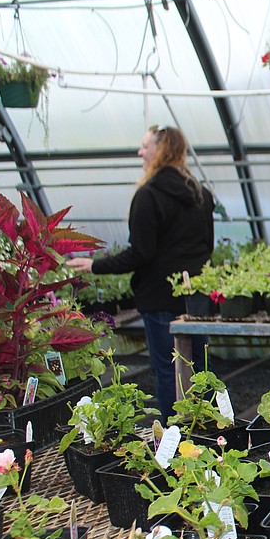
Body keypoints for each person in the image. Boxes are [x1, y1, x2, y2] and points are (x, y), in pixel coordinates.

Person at [69, 125, 215, 424]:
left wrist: (95, 265)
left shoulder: (149, 196)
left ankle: (175, 439)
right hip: (196, 298)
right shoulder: (201, 195)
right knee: (200, 370)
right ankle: (208, 434)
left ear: (160, 150)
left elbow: (141, 253)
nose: (140, 152)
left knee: (167, 369)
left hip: (160, 299)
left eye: (145, 146)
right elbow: (207, 247)